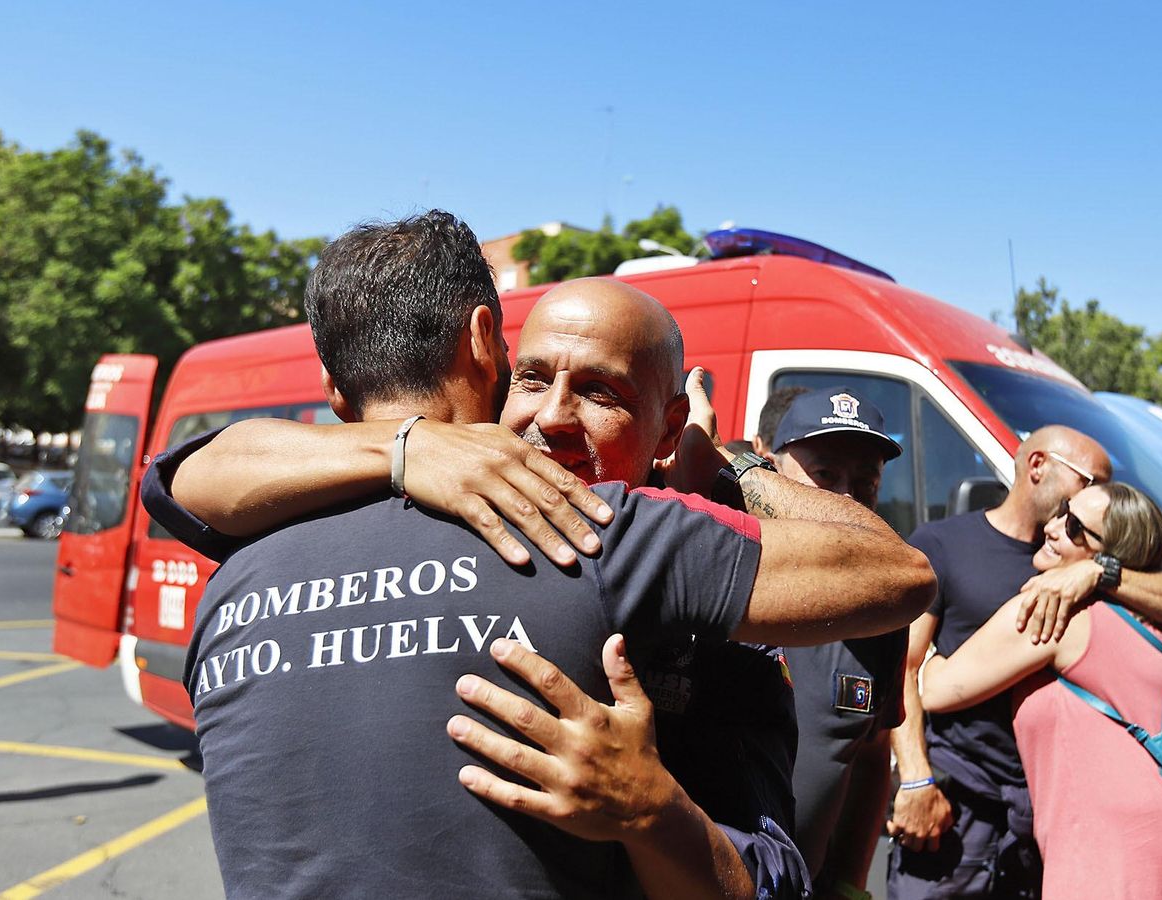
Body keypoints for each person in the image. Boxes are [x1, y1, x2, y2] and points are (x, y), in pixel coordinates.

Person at [156, 213, 936, 899]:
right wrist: (408, 447)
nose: (554, 418)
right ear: (487, 351)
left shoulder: (233, 573)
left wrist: (729, 468)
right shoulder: (604, 531)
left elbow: (180, 479)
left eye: (601, 393)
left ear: (668, 431)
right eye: (534, 378)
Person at [887, 426, 1162, 899]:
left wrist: (1098, 571)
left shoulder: (1076, 587)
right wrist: (916, 779)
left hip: (1060, 820)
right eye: (1087, 483)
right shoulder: (949, 546)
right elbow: (907, 672)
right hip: (963, 806)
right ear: (1037, 466)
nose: (1065, 523)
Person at [759, 387, 907, 897]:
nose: (845, 500)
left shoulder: (883, 609)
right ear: (767, 467)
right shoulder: (701, 564)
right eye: (824, 476)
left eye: (864, 484)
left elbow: (870, 757)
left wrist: (849, 884)